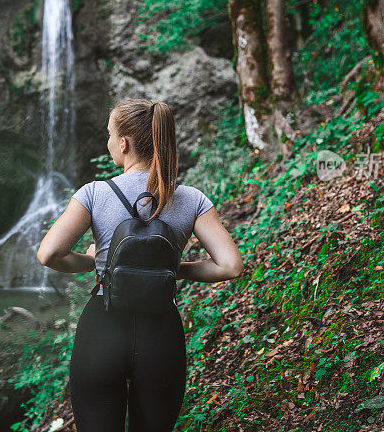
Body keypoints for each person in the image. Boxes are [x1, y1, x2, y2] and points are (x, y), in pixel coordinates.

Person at [37, 98, 244, 432]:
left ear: (124, 143)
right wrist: (175, 269)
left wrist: (94, 262)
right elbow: (231, 266)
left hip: (102, 330)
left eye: (109, 135)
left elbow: (49, 254)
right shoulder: (191, 199)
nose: (108, 143)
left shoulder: (95, 194)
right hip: (160, 334)